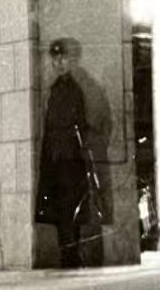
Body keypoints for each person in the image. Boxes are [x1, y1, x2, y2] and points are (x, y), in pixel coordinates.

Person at [35, 38, 96, 269]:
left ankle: (71, 254)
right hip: (55, 158)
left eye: (64, 58)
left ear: (71, 61)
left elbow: (80, 125)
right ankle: (67, 254)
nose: (59, 63)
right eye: (56, 59)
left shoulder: (74, 90)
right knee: (61, 209)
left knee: (71, 208)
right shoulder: (54, 89)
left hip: (70, 158)